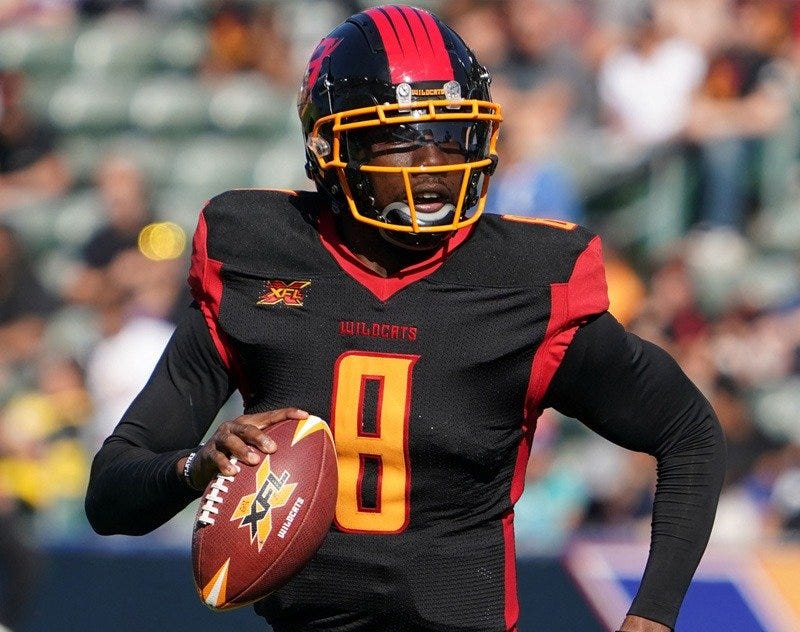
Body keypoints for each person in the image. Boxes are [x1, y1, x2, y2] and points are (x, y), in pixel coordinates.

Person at [85, 6, 726, 632]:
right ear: (330, 148)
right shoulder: (258, 257)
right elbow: (111, 493)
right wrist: (199, 467)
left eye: (450, 137)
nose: (433, 167)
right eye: (401, 141)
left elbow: (690, 432)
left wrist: (653, 614)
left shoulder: (525, 280)